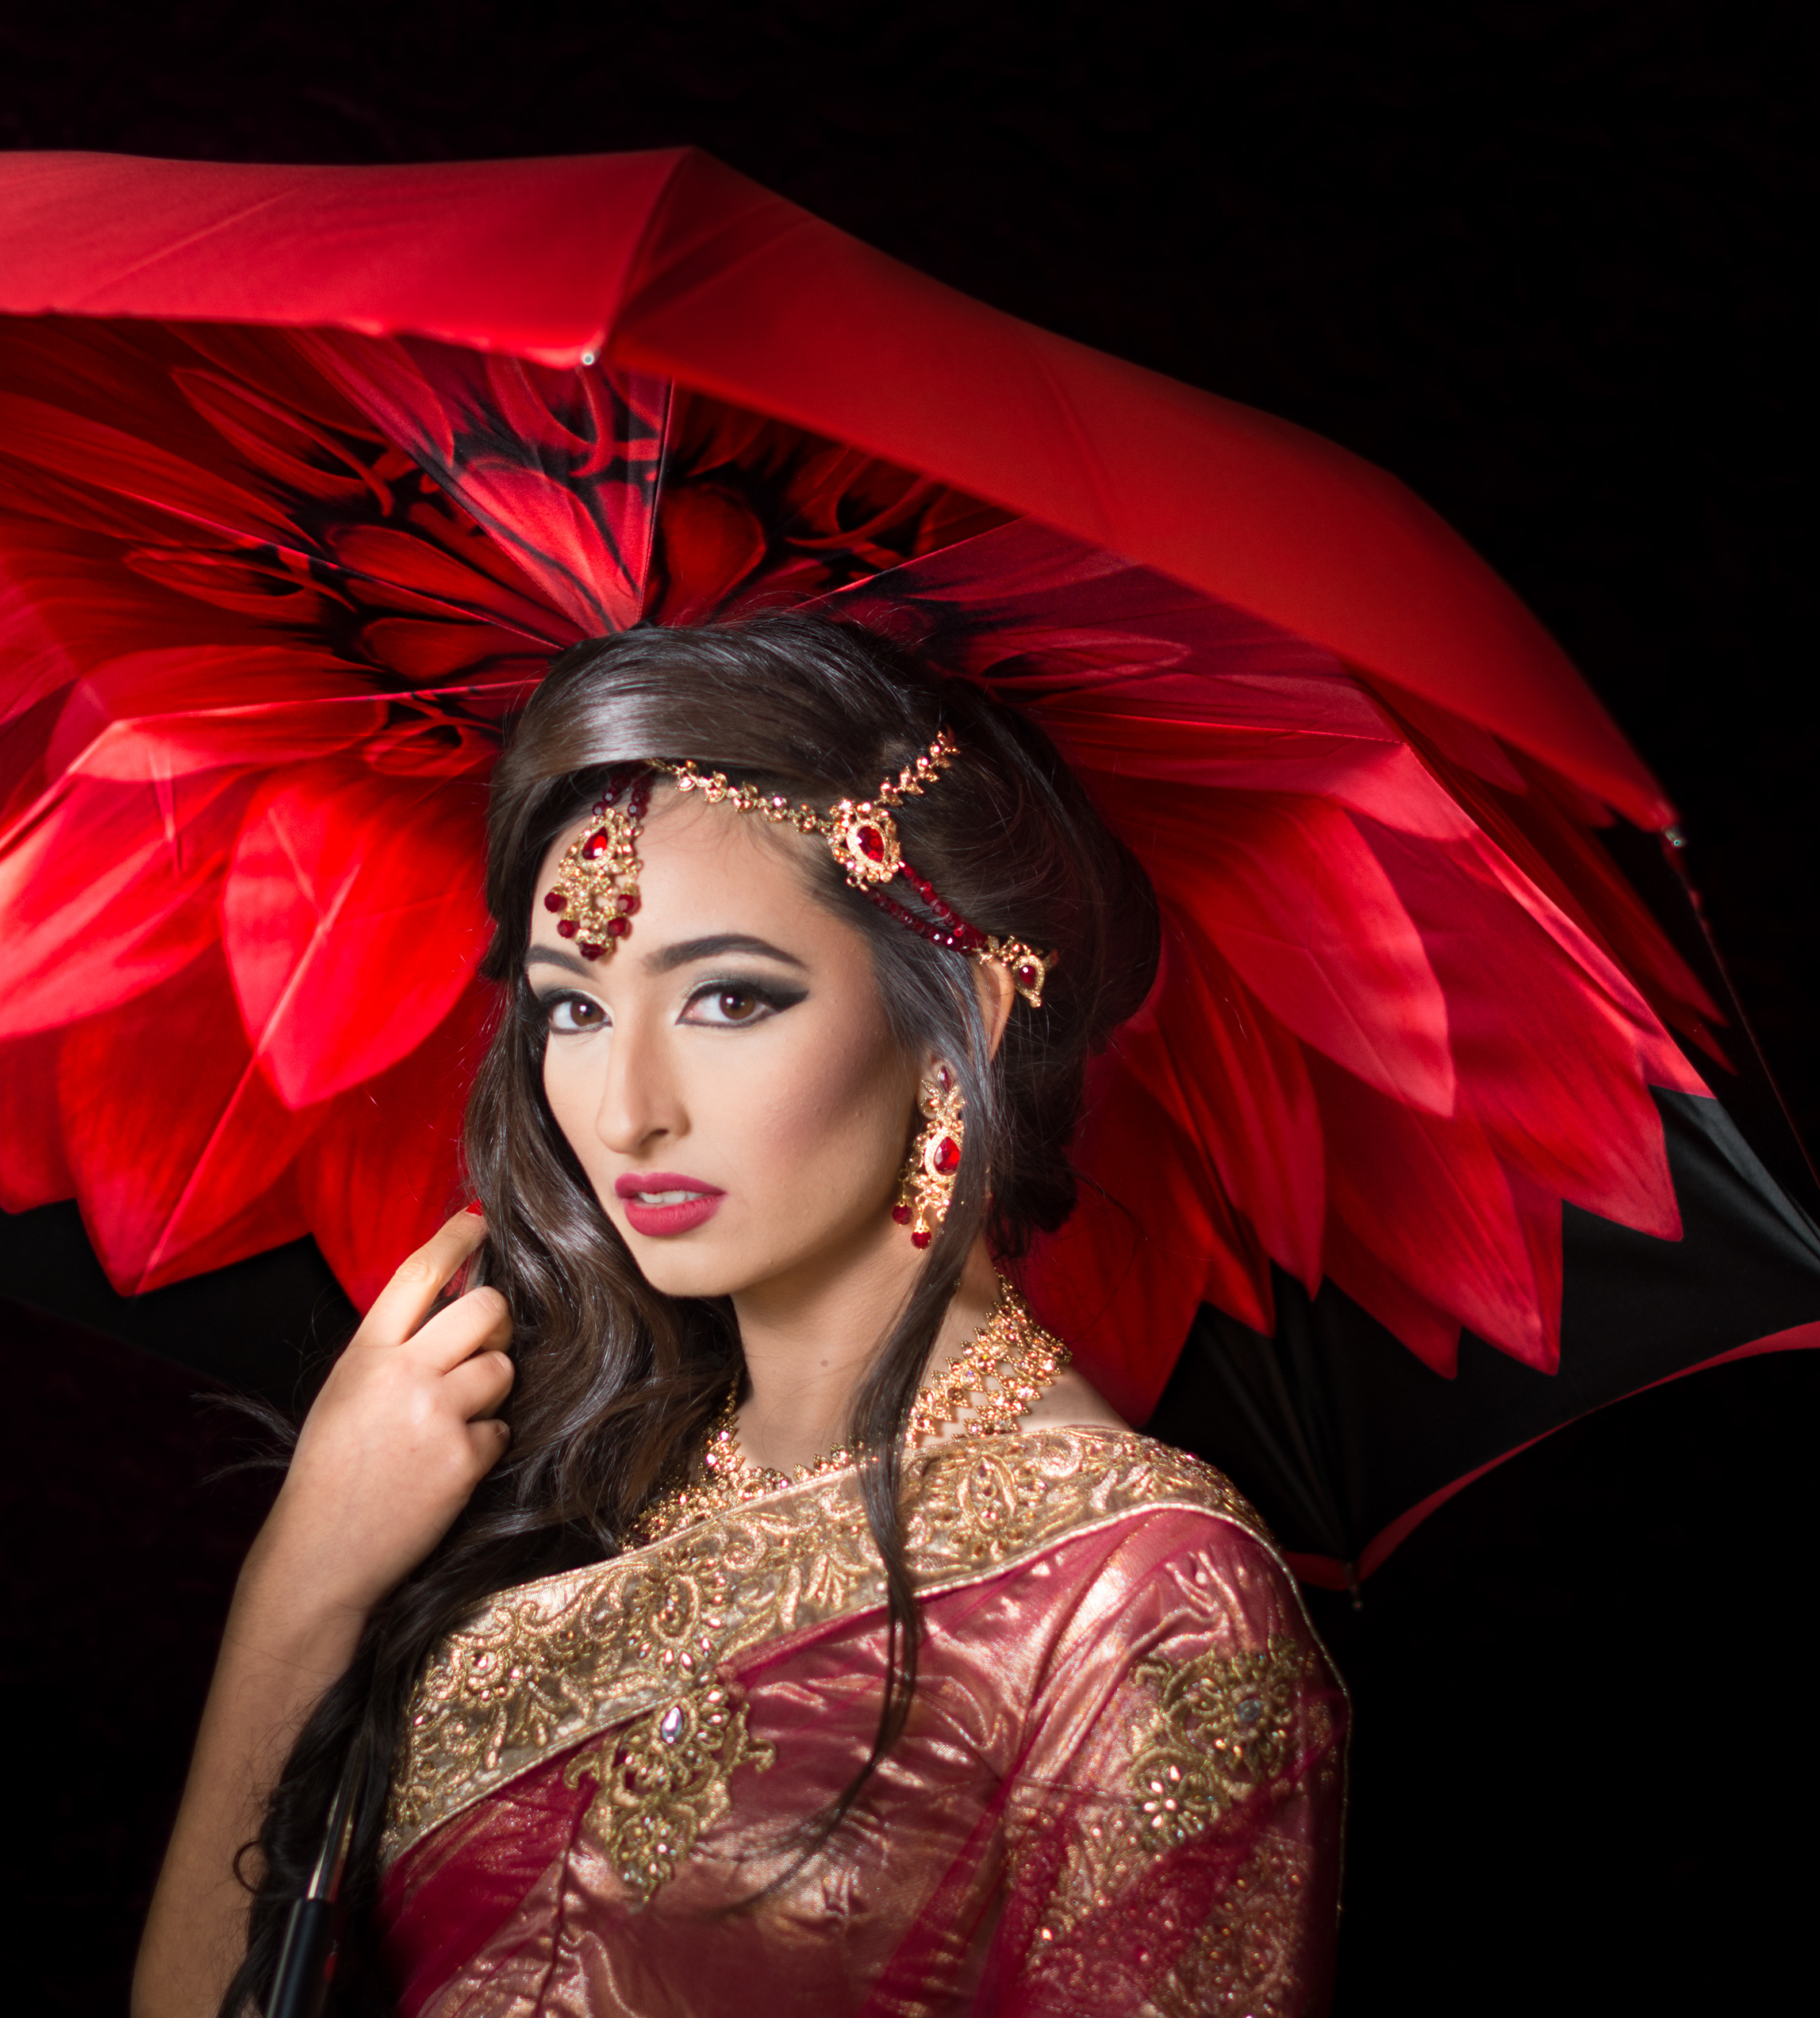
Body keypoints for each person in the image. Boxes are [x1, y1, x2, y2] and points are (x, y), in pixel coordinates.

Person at [132, 613, 1346, 2018]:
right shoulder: (545, 1485)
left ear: (965, 1010)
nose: (627, 1111)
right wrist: (303, 1586)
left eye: (725, 997)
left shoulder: (1141, 1596)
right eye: (572, 1011)